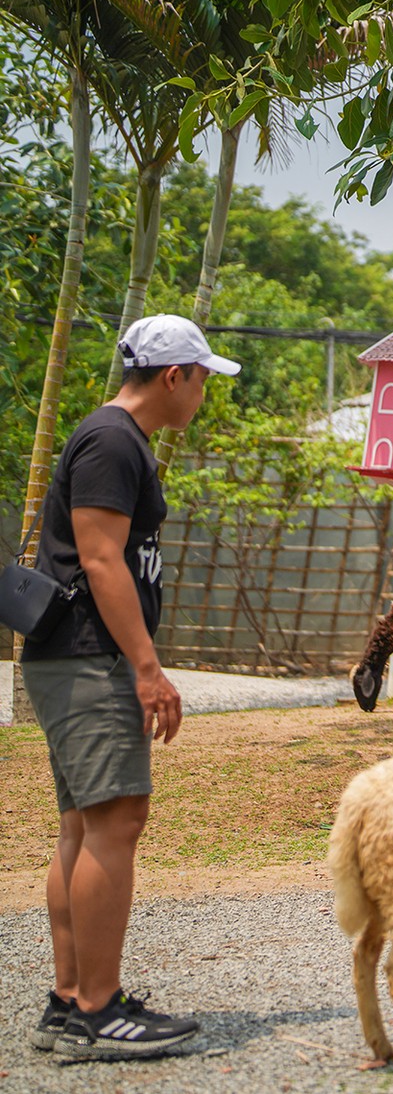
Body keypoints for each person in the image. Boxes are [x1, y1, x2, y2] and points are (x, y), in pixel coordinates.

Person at [22, 314, 238, 1061]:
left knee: (86, 826)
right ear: (175, 376)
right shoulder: (114, 440)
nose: (205, 391)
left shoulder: (117, 439)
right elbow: (102, 559)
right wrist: (147, 669)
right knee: (115, 822)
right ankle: (96, 1010)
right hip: (90, 657)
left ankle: (70, 1000)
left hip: (76, 655)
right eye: (204, 377)